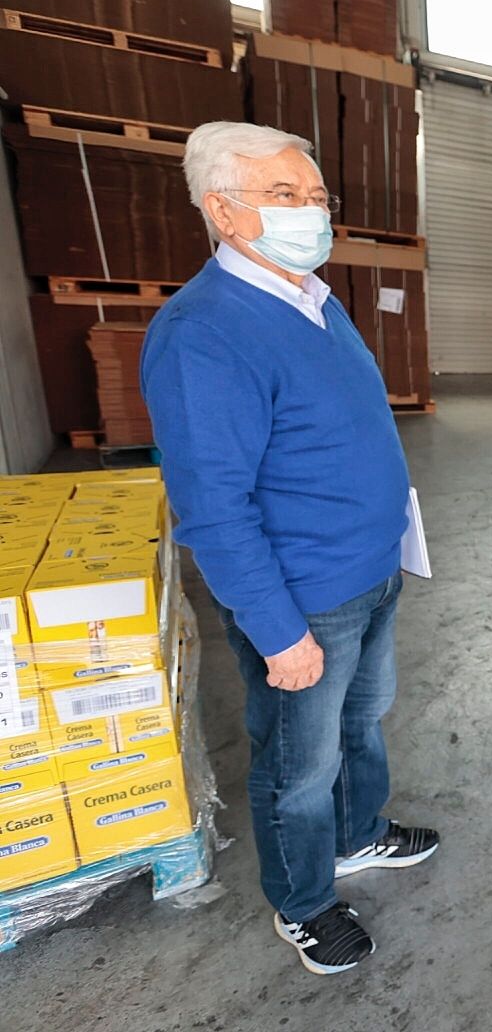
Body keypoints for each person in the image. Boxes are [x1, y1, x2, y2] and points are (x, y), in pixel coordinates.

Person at [142, 122, 437, 977]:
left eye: (315, 197)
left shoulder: (312, 296)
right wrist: (278, 633)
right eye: (285, 196)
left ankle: (359, 836)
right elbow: (214, 508)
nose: (310, 213)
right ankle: (304, 902)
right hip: (303, 595)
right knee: (297, 764)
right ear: (223, 212)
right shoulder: (205, 332)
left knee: (361, 721)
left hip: (372, 573)